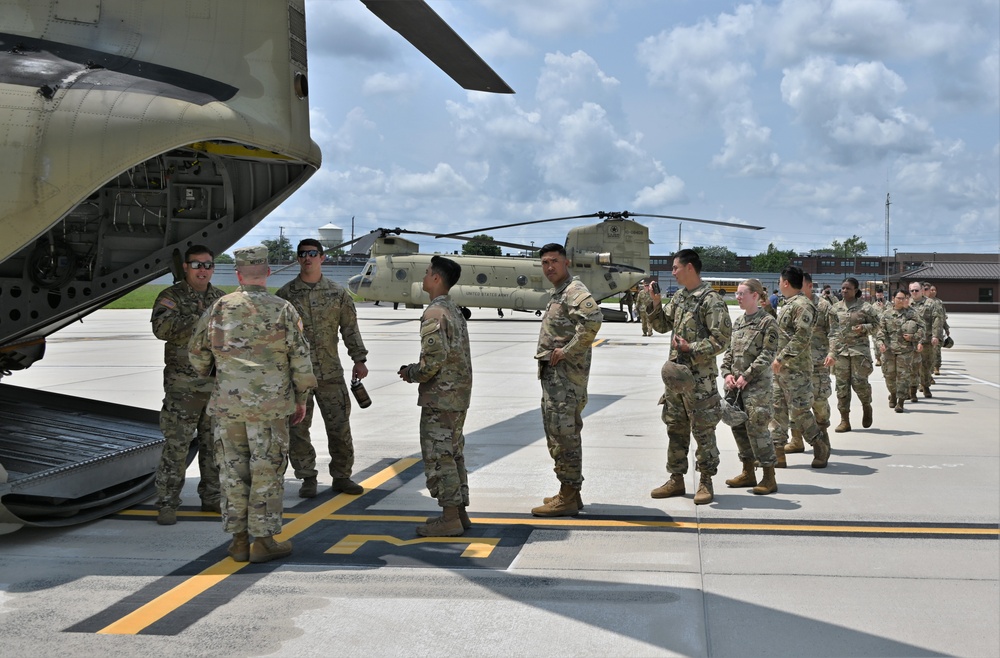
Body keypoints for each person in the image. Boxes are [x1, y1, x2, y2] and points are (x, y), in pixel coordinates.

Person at [189, 245, 317, 564]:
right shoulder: (283, 309)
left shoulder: (220, 307)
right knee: (266, 471)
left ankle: (238, 541)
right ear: (268, 272)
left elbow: (197, 351)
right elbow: (301, 360)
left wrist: (212, 370)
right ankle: (263, 540)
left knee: (233, 472)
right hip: (271, 408)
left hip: (228, 406)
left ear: (238, 274)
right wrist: (301, 399)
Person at [277, 239, 369, 498]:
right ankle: (307, 477)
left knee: (339, 428)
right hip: (297, 377)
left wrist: (359, 359)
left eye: (313, 254)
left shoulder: (337, 293)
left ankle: (342, 476)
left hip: (330, 373)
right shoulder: (285, 296)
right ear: (298, 259)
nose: (308, 258)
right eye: (303, 254)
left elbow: (349, 328)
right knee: (298, 429)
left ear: (322, 258)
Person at [646, 249, 732, 505]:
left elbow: (722, 340)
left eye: (675, 267)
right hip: (676, 380)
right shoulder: (681, 297)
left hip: (700, 380)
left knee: (703, 430)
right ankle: (676, 478)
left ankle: (705, 480)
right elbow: (662, 326)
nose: (672, 272)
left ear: (690, 268)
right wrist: (655, 302)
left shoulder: (711, 300)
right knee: (676, 427)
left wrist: (690, 348)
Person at [397, 256, 473, 537]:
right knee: (453, 454)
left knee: (440, 456)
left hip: (441, 398)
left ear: (437, 278)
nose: (424, 277)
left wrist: (411, 373)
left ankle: (450, 517)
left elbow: (433, 362)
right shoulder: (452, 309)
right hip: (457, 395)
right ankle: (459, 512)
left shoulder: (434, 313)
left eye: (427, 273)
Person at [150, 245, 225, 525]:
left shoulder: (221, 299)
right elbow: (161, 329)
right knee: (176, 447)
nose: (203, 270)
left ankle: (212, 498)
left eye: (208, 265)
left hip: (215, 386)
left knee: (213, 447)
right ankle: (168, 503)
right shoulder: (171, 296)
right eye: (197, 265)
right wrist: (203, 320)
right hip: (183, 387)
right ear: (185, 267)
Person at [531, 243, 602, 517]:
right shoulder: (559, 292)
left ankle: (569, 495)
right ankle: (569, 491)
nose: (549, 267)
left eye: (554, 262)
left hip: (566, 380)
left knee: (565, 436)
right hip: (555, 379)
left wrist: (567, 351)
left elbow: (593, 321)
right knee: (559, 435)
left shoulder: (574, 291)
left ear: (566, 262)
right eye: (545, 263)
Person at [720, 279, 779, 495]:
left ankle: (768, 476)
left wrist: (747, 375)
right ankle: (748, 472)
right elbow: (729, 352)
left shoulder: (767, 322)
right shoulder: (739, 322)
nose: (738, 297)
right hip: (736, 387)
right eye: (737, 293)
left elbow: (768, 354)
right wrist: (726, 373)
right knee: (738, 428)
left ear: (756, 295)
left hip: (757, 387)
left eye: (742, 293)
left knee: (758, 429)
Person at [772, 266, 830, 468]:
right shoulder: (787, 304)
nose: (779, 285)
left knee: (800, 412)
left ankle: (819, 444)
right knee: (777, 410)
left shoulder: (803, 305)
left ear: (786, 283)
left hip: (796, 369)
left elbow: (802, 337)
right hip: (780, 370)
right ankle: (778, 453)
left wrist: (781, 357)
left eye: (780, 281)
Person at [825, 277, 880, 433]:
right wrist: (831, 352)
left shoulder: (866, 307)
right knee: (841, 387)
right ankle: (845, 420)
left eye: (848, 288)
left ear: (856, 290)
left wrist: (864, 327)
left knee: (859, 384)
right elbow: (833, 332)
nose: (844, 291)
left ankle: (866, 405)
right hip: (841, 353)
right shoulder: (835, 308)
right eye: (842, 288)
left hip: (859, 353)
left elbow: (877, 325)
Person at [876, 290, 924, 412]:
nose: (902, 301)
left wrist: (914, 337)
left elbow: (922, 328)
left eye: (904, 298)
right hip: (889, 351)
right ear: (893, 298)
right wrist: (881, 343)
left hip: (905, 351)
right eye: (899, 298)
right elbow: (881, 331)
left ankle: (901, 402)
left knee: (904, 377)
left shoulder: (912, 313)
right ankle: (892, 395)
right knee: (889, 376)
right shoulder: (886, 314)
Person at [908, 282, 943, 399]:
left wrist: (936, 336)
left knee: (926, 365)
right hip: (911, 341)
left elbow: (937, 319)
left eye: (916, 290)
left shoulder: (930, 303)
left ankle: (925, 386)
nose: (914, 293)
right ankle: (912, 389)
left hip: (926, 340)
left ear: (922, 290)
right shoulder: (906, 303)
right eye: (912, 290)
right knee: (912, 366)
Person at [925, 284, 949, 375]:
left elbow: (942, 316)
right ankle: (929, 373)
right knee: (929, 353)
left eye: (935, 290)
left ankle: (937, 367)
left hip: (938, 331)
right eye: (931, 290)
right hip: (928, 332)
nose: (933, 291)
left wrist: (946, 328)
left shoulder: (939, 302)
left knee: (937, 351)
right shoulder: (926, 302)